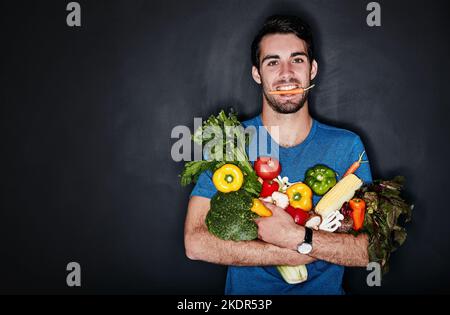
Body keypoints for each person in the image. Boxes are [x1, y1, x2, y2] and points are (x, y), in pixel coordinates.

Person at [184, 15, 372, 295]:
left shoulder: (347, 146)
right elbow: (195, 243)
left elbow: (367, 250)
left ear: (312, 69)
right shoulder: (229, 142)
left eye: (297, 60)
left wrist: (297, 236)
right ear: (257, 74)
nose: (286, 73)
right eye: (272, 62)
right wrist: (291, 251)